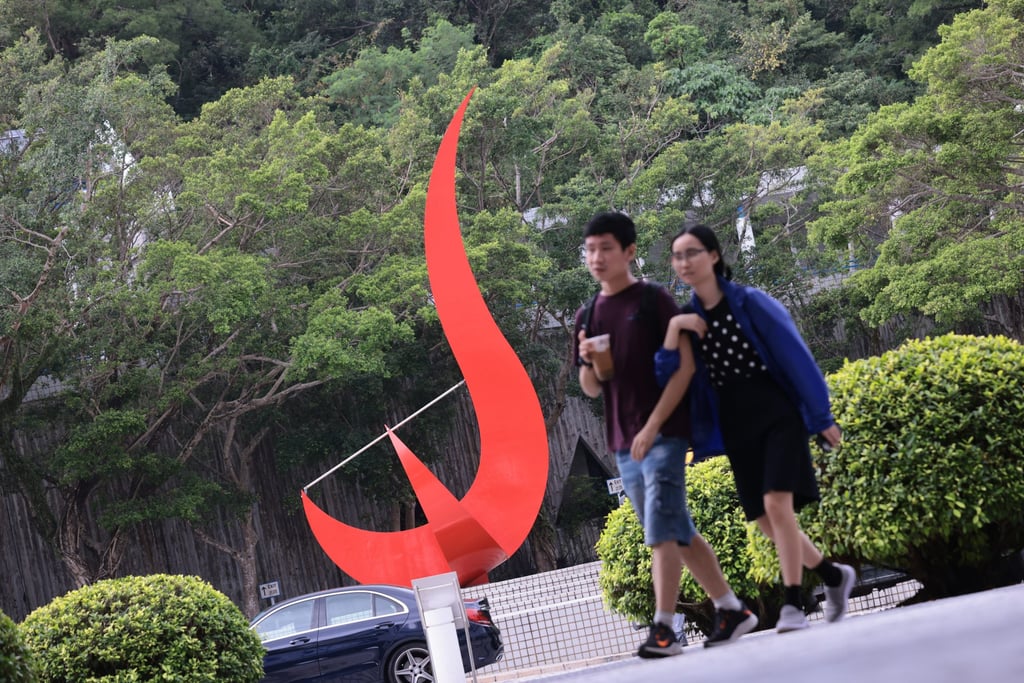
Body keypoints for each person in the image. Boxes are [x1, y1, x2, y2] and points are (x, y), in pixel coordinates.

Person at [656, 223, 857, 633]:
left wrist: (821, 418)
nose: (684, 263)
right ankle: (835, 577)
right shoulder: (687, 319)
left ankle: (794, 604)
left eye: (691, 252)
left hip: (777, 413)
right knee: (765, 520)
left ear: (713, 256)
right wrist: (673, 333)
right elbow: (667, 376)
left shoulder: (750, 303)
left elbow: (796, 356)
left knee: (778, 506)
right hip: (735, 424)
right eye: (677, 257)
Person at [574, 211, 758, 657]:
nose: (596, 258)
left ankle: (663, 629)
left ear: (629, 252)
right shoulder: (589, 313)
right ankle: (731, 609)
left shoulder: (653, 301)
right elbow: (592, 388)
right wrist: (589, 360)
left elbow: (685, 369)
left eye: (606, 248)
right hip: (622, 440)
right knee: (675, 529)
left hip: (666, 433)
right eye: (590, 249)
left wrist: (654, 426)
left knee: (659, 527)